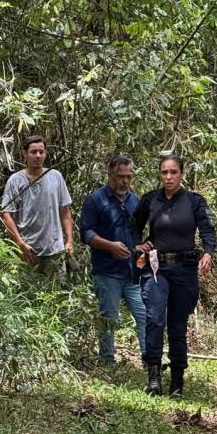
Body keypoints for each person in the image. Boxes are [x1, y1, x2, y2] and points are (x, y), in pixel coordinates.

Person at [132, 155, 216, 398]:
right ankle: (154, 377)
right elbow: (133, 226)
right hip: (156, 268)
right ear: (160, 174)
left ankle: (177, 381)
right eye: (164, 172)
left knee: (178, 325)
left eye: (173, 172)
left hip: (184, 269)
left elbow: (208, 229)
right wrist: (138, 244)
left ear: (181, 174)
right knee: (154, 319)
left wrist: (208, 252)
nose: (168, 177)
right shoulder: (150, 200)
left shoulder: (194, 201)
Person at [79, 155, 147, 366]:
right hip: (107, 271)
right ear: (109, 174)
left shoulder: (134, 200)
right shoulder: (95, 200)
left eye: (128, 177)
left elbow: (138, 234)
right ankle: (107, 361)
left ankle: (150, 359)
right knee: (109, 318)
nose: (125, 181)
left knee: (144, 315)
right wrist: (110, 246)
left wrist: (142, 253)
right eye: (120, 176)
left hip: (132, 272)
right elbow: (86, 234)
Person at [0, 134, 74, 287]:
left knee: (57, 293)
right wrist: (20, 243)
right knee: (27, 293)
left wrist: (69, 241)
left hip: (54, 249)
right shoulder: (16, 180)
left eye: (41, 152)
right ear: (25, 154)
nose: (38, 156)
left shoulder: (56, 177)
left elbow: (65, 211)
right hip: (28, 250)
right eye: (33, 152)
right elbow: (6, 215)